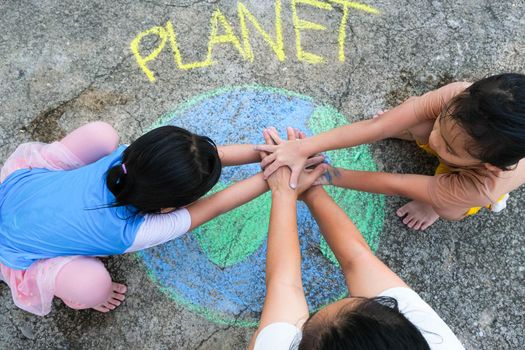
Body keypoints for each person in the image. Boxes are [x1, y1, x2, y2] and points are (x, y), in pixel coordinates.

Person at [0, 121, 288, 316]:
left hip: (18, 191)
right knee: (93, 286)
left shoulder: (127, 159)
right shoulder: (132, 232)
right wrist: (273, 177)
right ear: (166, 208)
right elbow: (215, 206)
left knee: (102, 134)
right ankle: (81, 295)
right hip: (14, 249)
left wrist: (277, 154)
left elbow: (210, 158)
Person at [249, 128, 465, 350]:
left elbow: (284, 283)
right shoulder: (435, 339)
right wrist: (311, 190)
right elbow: (356, 259)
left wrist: (284, 191)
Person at [256, 73, 525, 230]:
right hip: (465, 153)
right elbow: (379, 125)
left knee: (449, 206)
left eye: (449, 147)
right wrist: (303, 147)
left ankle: (433, 200)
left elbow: (396, 183)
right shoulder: (459, 96)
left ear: (489, 164)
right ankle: (417, 130)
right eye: (441, 125)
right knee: (412, 112)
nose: (434, 141)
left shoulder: (481, 184)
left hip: (464, 184)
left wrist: (326, 175)